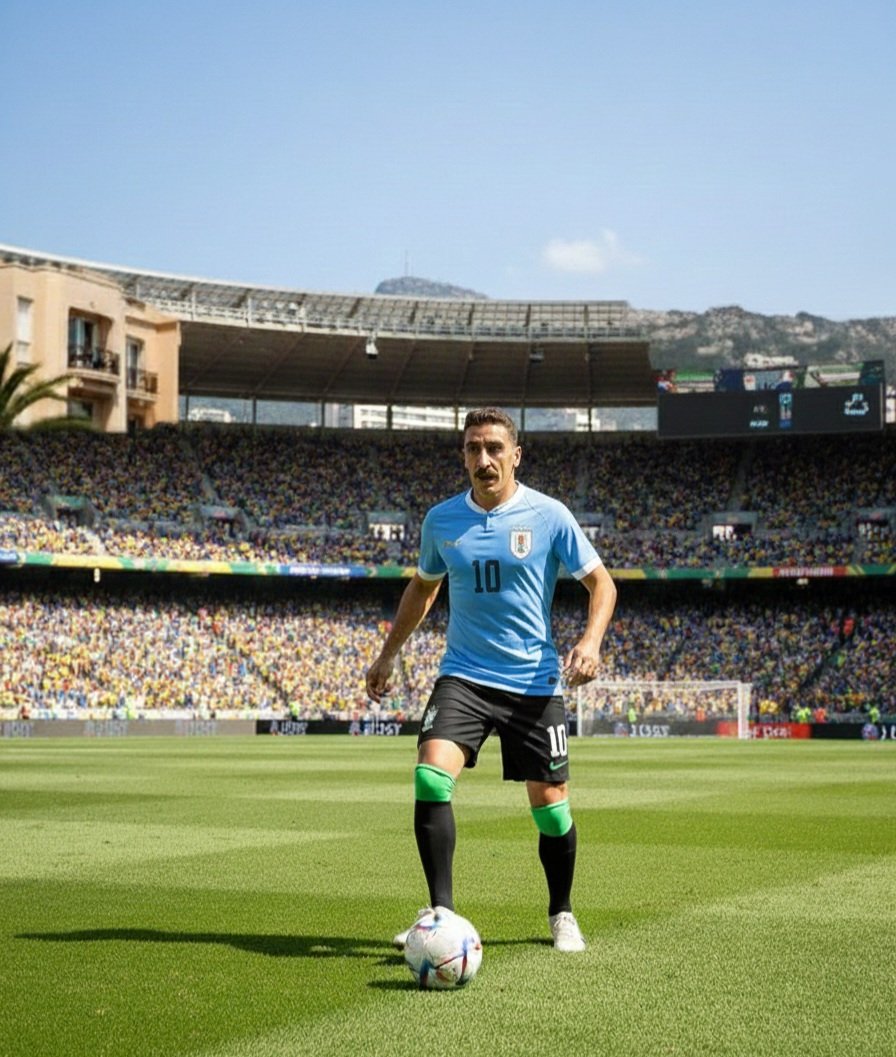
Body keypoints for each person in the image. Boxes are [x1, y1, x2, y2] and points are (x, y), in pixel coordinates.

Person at [365, 407, 617, 953]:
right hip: (464, 677)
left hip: (533, 682)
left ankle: (561, 912)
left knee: (552, 808)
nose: (484, 459)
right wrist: (388, 654)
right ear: (463, 456)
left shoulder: (549, 516)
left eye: (494, 448)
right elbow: (423, 589)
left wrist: (591, 642)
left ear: (516, 455)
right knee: (431, 777)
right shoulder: (442, 521)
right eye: (474, 449)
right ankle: (439, 915)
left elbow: (602, 585)